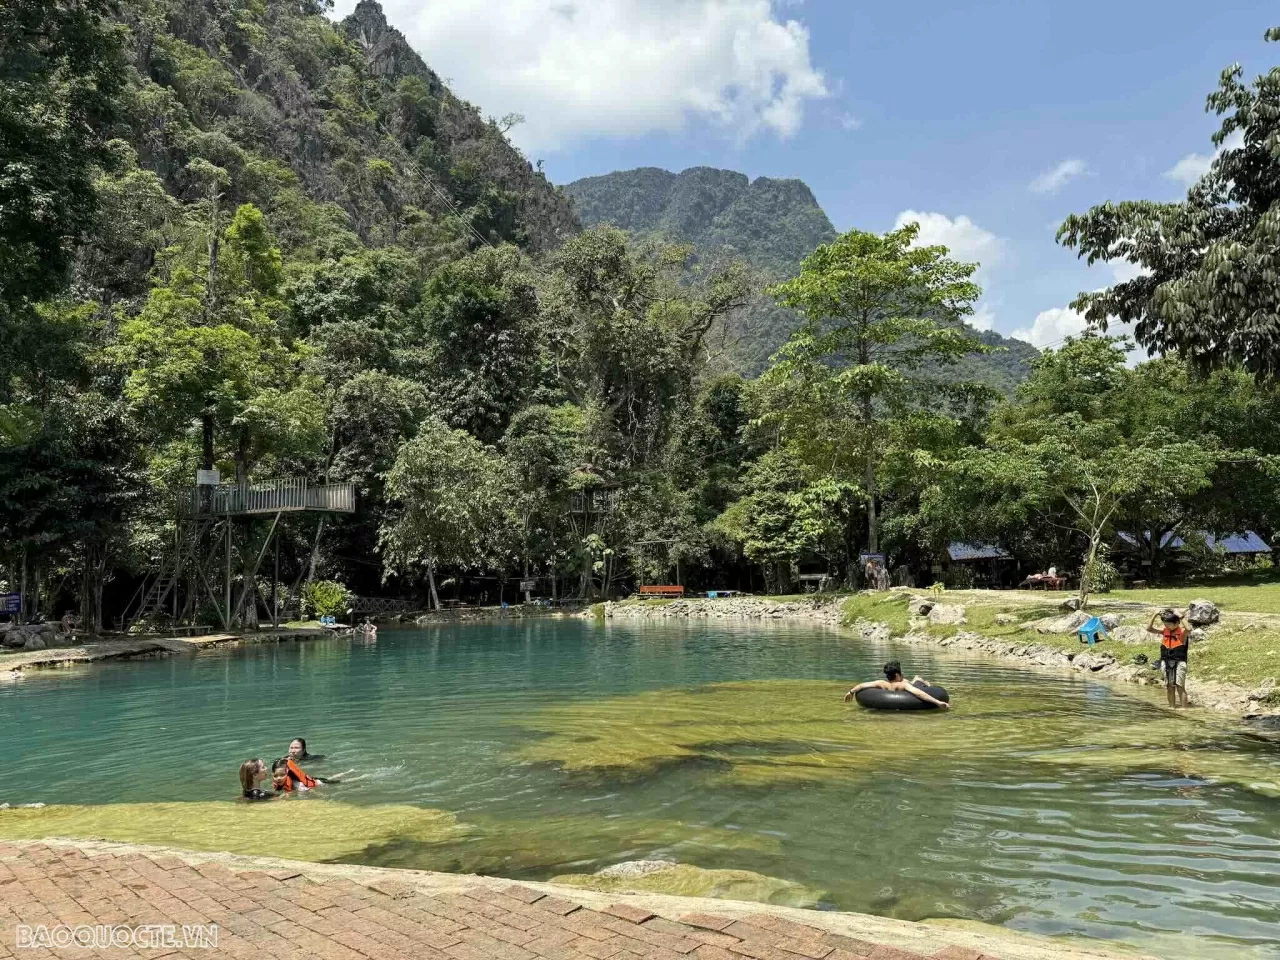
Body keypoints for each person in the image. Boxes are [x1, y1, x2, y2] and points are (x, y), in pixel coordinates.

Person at [843, 660, 950, 709]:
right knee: (917, 681)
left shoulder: (881, 683)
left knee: (913, 681)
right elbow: (919, 693)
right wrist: (937, 702)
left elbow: (861, 686)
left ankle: (916, 680)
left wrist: (851, 692)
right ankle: (919, 680)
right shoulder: (903, 685)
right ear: (898, 675)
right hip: (908, 691)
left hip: (891, 690)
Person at [1148, 608, 1190, 707]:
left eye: (1169, 624)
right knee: (1169, 686)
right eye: (1165, 624)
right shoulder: (1164, 631)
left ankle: (1184, 709)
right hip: (1166, 661)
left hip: (1179, 661)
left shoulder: (1182, 632)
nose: (1167, 626)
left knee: (1180, 686)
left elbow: (1188, 629)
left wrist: (1180, 615)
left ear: (1177, 623)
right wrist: (1154, 615)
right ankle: (1172, 707)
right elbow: (1149, 629)